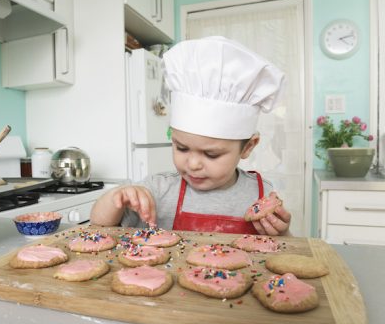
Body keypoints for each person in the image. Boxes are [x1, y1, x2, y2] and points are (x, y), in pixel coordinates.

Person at [91, 36, 291, 235]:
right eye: (182, 148)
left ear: (248, 147)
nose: (193, 164)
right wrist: (115, 197)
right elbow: (99, 227)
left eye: (211, 154)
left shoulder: (259, 193)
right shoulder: (158, 189)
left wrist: (282, 233)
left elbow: (281, 249)